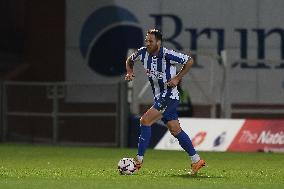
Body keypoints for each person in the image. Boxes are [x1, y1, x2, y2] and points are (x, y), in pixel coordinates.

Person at [125, 29, 205, 175]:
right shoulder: (142, 53)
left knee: (145, 120)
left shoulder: (168, 54)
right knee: (175, 130)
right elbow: (129, 60)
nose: (148, 43)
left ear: (158, 42)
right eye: (146, 40)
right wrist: (129, 72)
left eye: (151, 41)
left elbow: (189, 60)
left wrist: (177, 78)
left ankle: (138, 160)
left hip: (169, 97)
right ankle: (196, 160)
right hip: (160, 97)